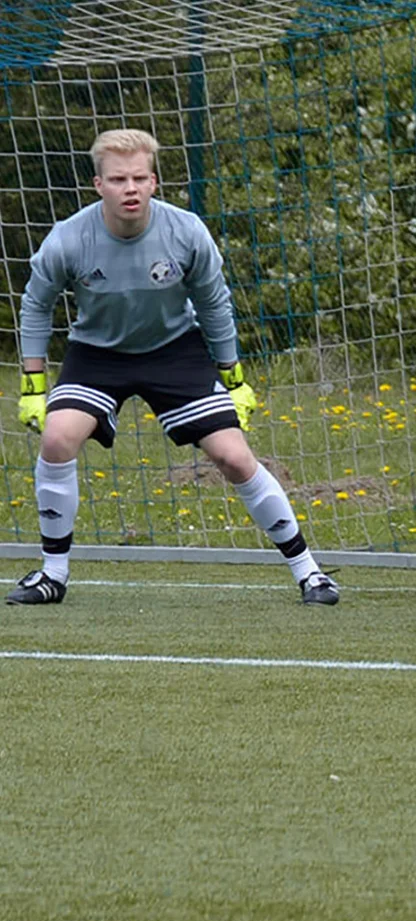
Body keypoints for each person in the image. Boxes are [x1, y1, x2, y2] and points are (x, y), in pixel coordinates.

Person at [10, 128, 339, 606]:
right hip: (96, 354)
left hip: (174, 350)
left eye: (140, 177)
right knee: (57, 438)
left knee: (234, 457)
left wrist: (234, 378)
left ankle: (310, 573)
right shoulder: (68, 239)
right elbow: (36, 305)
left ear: (154, 182)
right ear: (98, 185)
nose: (130, 188)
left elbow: (213, 303)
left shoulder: (185, 232)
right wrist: (34, 386)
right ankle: (52, 575)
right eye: (119, 178)